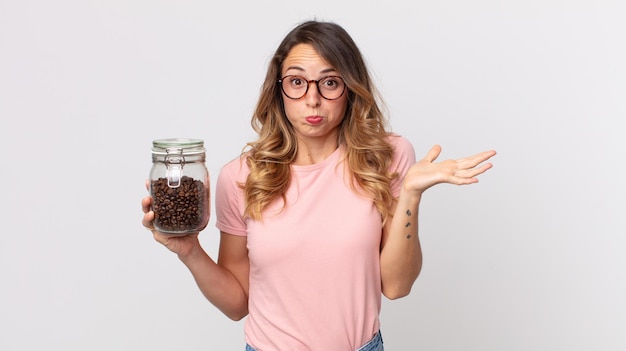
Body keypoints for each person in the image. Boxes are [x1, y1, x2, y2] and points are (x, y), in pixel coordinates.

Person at [142, 20, 496, 351]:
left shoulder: (387, 157)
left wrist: (411, 196)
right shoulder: (241, 176)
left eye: (329, 82)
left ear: (349, 89)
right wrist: (189, 250)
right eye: (297, 82)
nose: (313, 99)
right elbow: (237, 304)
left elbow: (397, 286)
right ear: (279, 90)